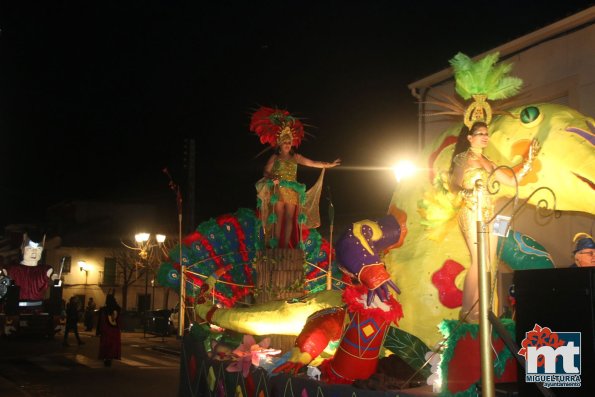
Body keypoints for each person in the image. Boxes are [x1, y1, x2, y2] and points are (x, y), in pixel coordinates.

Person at [449, 121, 539, 322]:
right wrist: (471, 191)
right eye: (480, 133)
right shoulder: (462, 158)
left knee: (488, 264)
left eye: (486, 133)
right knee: (478, 260)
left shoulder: (489, 161)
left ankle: (481, 310)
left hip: (490, 213)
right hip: (471, 210)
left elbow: (510, 180)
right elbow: (454, 185)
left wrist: (529, 160)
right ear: (469, 138)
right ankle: (466, 313)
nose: (484, 136)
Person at [252, 106, 340, 248]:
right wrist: (272, 177)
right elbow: (265, 172)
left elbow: (312, 163)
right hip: (278, 188)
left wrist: (328, 164)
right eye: (285, 142)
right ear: (280, 143)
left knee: (289, 220)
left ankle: (286, 246)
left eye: (289, 142)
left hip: (293, 191)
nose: (287, 145)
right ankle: (277, 246)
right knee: (278, 218)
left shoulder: (296, 157)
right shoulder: (275, 156)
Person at [97, 293, 121, 367]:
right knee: (113, 345)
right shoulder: (118, 308)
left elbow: (101, 320)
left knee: (106, 344)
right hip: (115, 330)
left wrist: (99, 330)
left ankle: (106, 358)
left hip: (106, 329)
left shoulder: (104, 309)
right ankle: (110, 358)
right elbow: (119, 320)